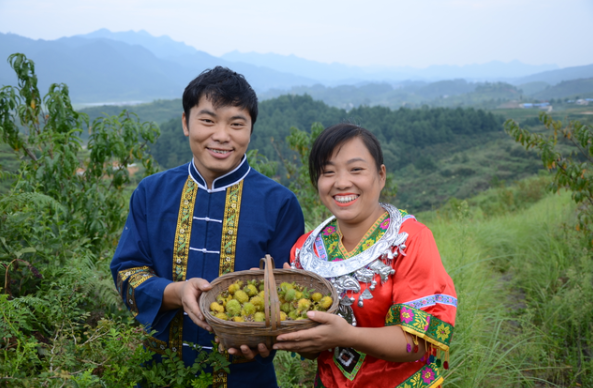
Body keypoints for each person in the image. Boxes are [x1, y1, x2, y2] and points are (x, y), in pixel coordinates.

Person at [110, 66, 304, 388]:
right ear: (186, 123)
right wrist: (175, 292)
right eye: (208, 120)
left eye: (236, 123)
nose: (222, 135)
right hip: (160, 373)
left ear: (251, 130)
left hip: (246, 376)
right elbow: (127, 271)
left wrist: (264, 335)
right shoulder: (151, 192)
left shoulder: (279, 203)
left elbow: (289, 294)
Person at [273, 123, 457, 388]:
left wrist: (347, 336)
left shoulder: (409, 240)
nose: (342, 182)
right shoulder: (305, 251)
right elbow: (310, 348)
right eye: (328, 172)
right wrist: (296, 330)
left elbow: (418, 345)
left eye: (356, 169)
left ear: (381, 175)